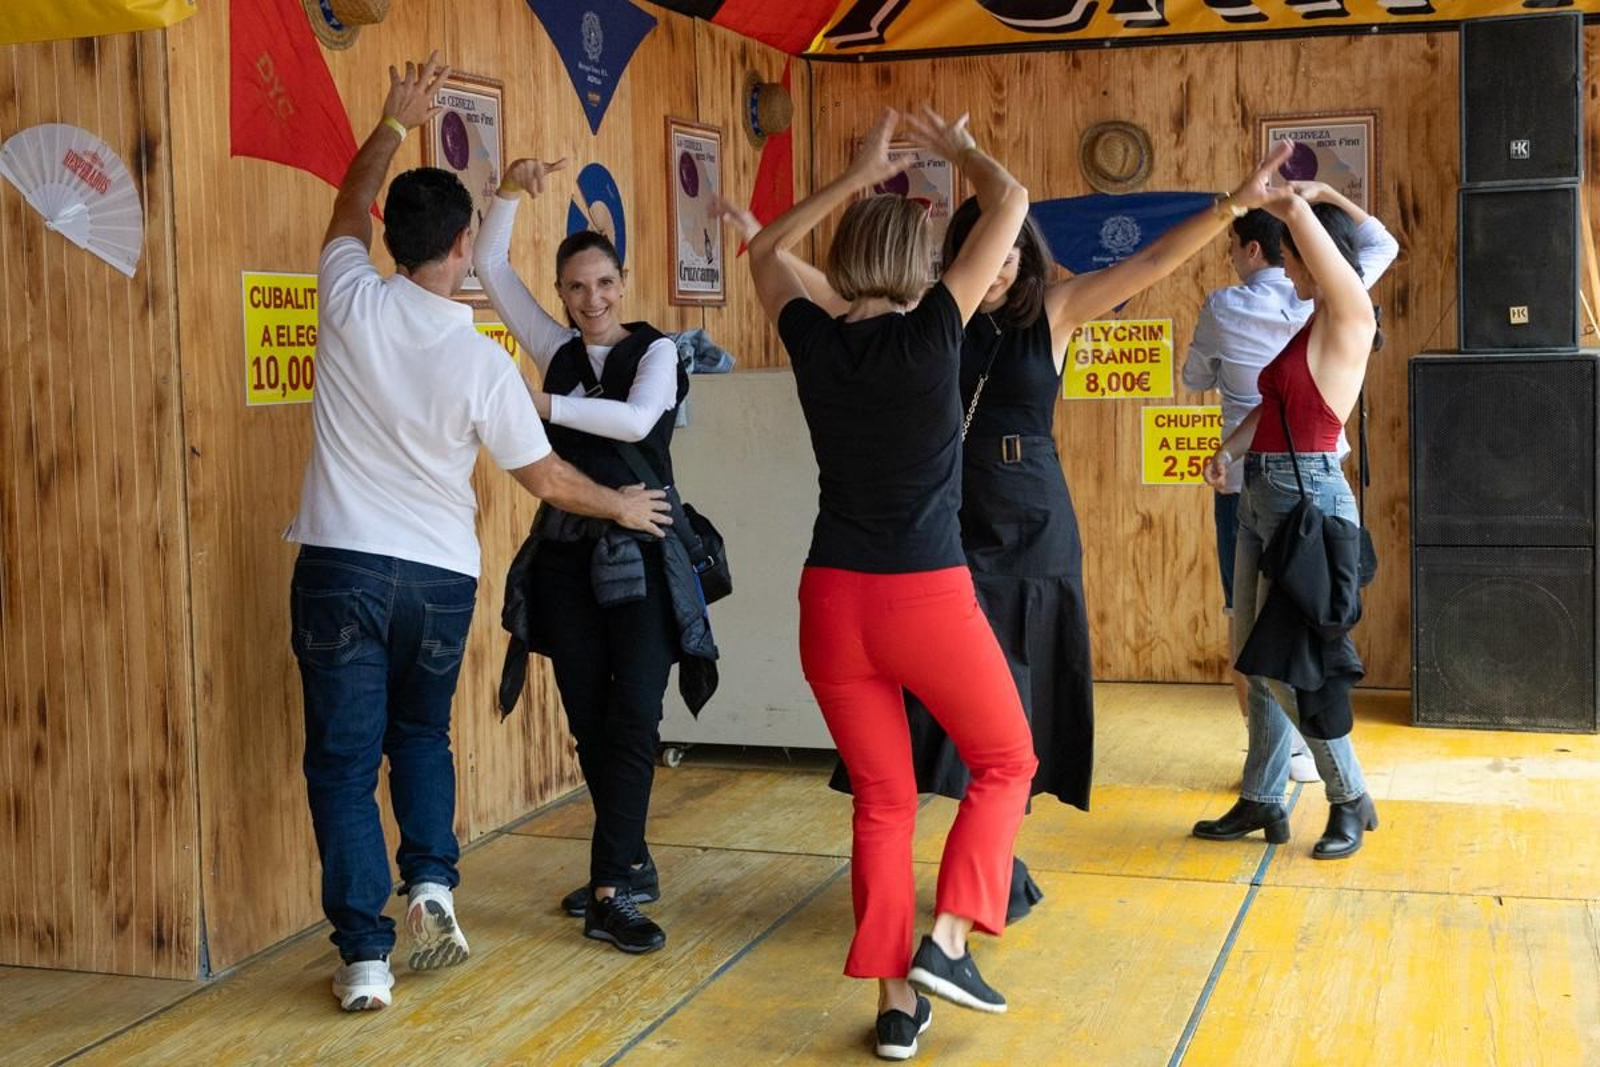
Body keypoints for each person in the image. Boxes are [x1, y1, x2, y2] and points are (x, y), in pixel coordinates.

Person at [723, 138, 1304, 926]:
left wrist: (1232, 203)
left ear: (1022, 258)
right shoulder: (933, 317)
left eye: (999, 259)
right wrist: (778, 237)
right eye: (969, 256)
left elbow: (1153, 264)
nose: (990, 270)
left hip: (1031, 521)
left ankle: (996, 854)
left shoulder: (1054, 313)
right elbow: (835, 294)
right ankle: (982, 860)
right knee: (963, 712)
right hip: (946, 529)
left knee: (1021, 703)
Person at [286, 55, 669, 1012]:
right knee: (419, 733)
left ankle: (367, 957)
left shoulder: (348, 297)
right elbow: (544, 476)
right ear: (461, 247)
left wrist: (388, 122)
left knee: (341, 759)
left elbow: (345, 209)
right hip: (439, 580)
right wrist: (623, 504)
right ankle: (431, 883)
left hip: (339, 564)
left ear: (391, 240)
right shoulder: (486, 363)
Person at [744, 106, 1038, 1061]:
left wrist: (852, 174)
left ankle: (895, 1010)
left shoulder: (815, 342)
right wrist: (959, 151)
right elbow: (1013, 200)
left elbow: (764, 250)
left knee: (884, 799)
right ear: (920, 267)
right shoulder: (937, 333)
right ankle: (948, 942)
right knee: (1005, 762)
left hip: (831, 601)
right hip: (922, 595)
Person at [474, 155, 703, 955]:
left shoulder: (659, 352)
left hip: (642, 553)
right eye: (576, 288)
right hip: (568, 555)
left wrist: (534, 401)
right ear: (563, 292)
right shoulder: (555, 344)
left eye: (604, 284)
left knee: (636, 711)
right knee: (588, 718)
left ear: (622, 280)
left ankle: (611, 887)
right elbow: (489, 266)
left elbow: (638, 425)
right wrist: (506, 191)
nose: (591, 301)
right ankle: (625, 862)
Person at [1192, 180, 1384, 860]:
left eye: (1294, 260)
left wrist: (1284, 198)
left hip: (1309, 507)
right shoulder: (1308, 322)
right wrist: (1228, 450)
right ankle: (1263, 798)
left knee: (1295, 666)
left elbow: (1349, 246)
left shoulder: (1350, 315)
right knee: (1256, 658)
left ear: (1313, 253)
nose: (1286, 271)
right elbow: (1271, 409)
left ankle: (1348, 797)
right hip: (1258, 496)